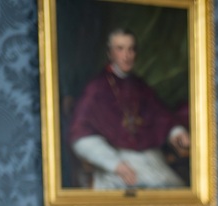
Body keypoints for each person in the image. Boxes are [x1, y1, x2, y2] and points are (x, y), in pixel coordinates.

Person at [67, 28, 188, 189]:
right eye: (120, 49)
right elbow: (80, 136)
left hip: (150, 159)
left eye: (131, 49)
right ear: (110, 54)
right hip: (116, 166)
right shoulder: (96, 89)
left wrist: (177, 133)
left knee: (176, 189)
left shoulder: (140, 86)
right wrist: (115, 164)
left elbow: (161, 116)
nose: (127, 55)